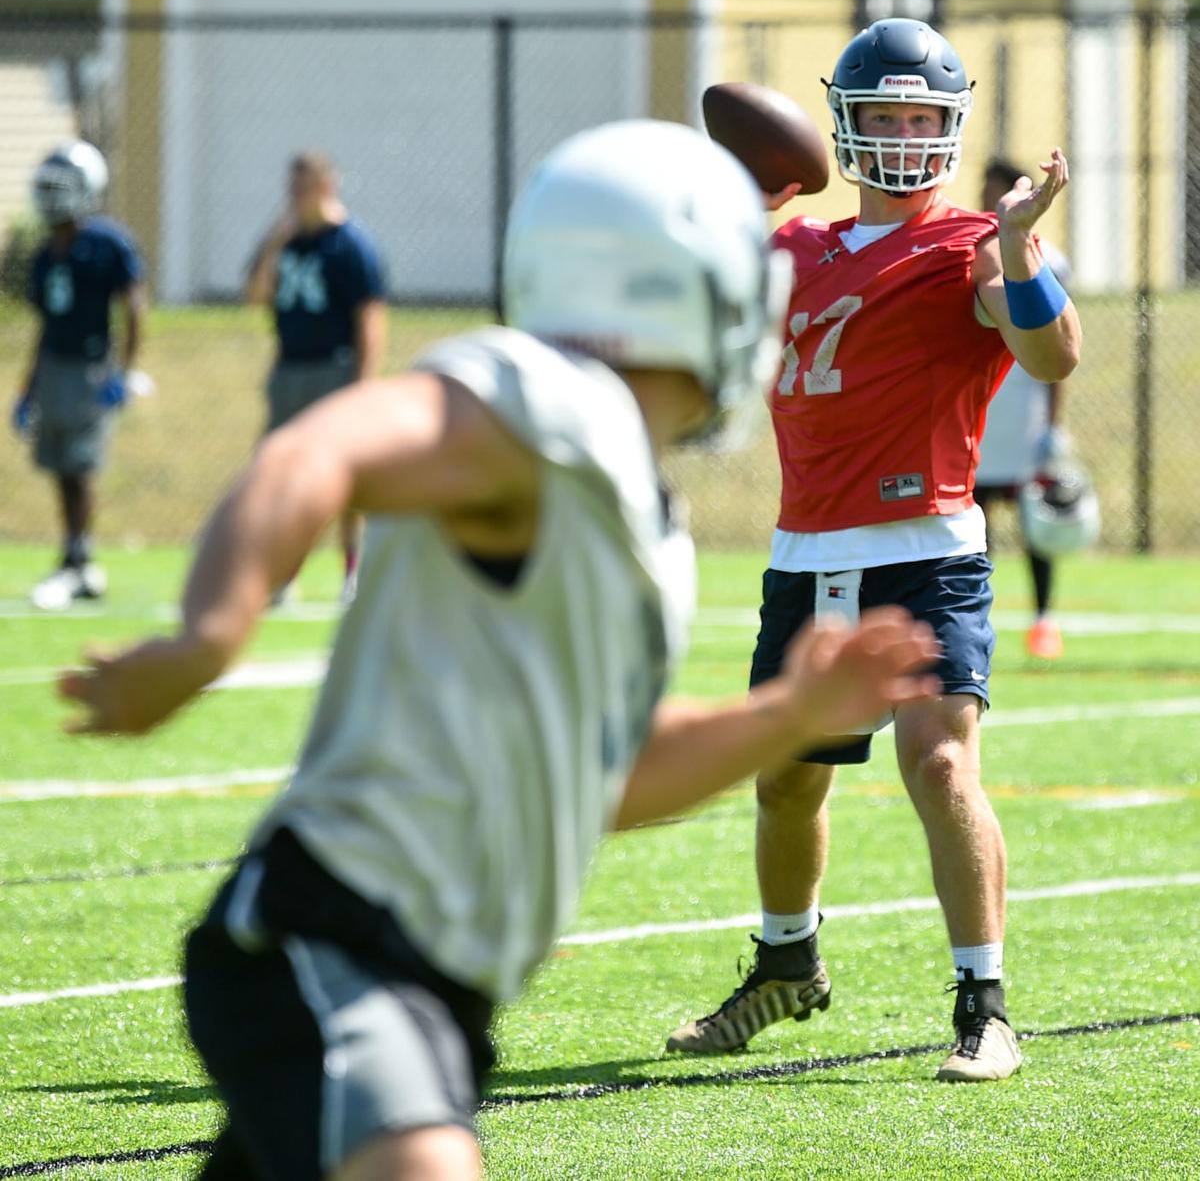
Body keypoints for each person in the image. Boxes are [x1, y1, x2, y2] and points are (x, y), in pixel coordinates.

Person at [59, 120, 940, 1181]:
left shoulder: (634, 502)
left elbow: (601, 776)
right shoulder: (546, 405)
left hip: (436, 986)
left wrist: (781, 721)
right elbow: (317, 447)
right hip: (329, 939)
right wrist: (209, 636)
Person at [667, 19, 1081, 1081]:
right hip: (807, 550)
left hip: (925, 546)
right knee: (786, 787)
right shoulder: (789, 244)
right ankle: (784, 967)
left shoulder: (978, 243)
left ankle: (985, 1008)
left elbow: (1051, 350)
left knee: (937, 759)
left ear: (949, 129)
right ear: (844, 128)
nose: (902, 134)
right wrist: (729, 196)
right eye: (883, 116)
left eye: (920, 117)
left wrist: (1024, 243)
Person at [245, 151, 388, 602]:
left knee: (346, 478)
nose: (296, 197)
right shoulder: (287, 241)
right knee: (281, 474)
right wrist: (274, 240)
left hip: (334, 369)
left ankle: (352, 571)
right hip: (290, 369)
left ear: (327, 187)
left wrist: (362, 385)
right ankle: (284, 573)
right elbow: (254, 294)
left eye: (304, 187)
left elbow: (370, 319)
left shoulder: (350, 245)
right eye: (292, 188)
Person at [11, 141, 145, 611]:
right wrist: (26, 390)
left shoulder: (106, 243)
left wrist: (124, 372)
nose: (50, 199)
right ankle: (75, 559)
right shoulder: (47, 252)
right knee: (60, 468)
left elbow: (134, 308)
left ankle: (78, 559)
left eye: (60, 189)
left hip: (90, 367)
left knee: (82, 466)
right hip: (54, 366)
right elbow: (45, 325)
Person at [976, 157, 1075, 659]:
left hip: (1024, 415)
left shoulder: (1047, 257)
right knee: (975, 522)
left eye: (995, 190)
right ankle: (978, 615)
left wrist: (1054, 425)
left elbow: (1060, 344)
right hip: (980, 412)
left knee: (1037, 522)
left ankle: (1043, 619)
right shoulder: (970, 251)